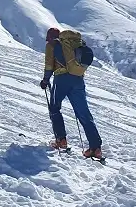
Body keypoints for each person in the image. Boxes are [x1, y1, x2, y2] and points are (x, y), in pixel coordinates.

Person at [42, 27, 102, 158]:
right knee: (83, 113)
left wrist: (45, 80)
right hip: (78, 80)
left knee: (54, 108)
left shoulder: (52, 45)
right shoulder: (72, 45)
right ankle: (96, 148)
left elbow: (49, 65)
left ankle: (61, 140)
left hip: (61, 80)